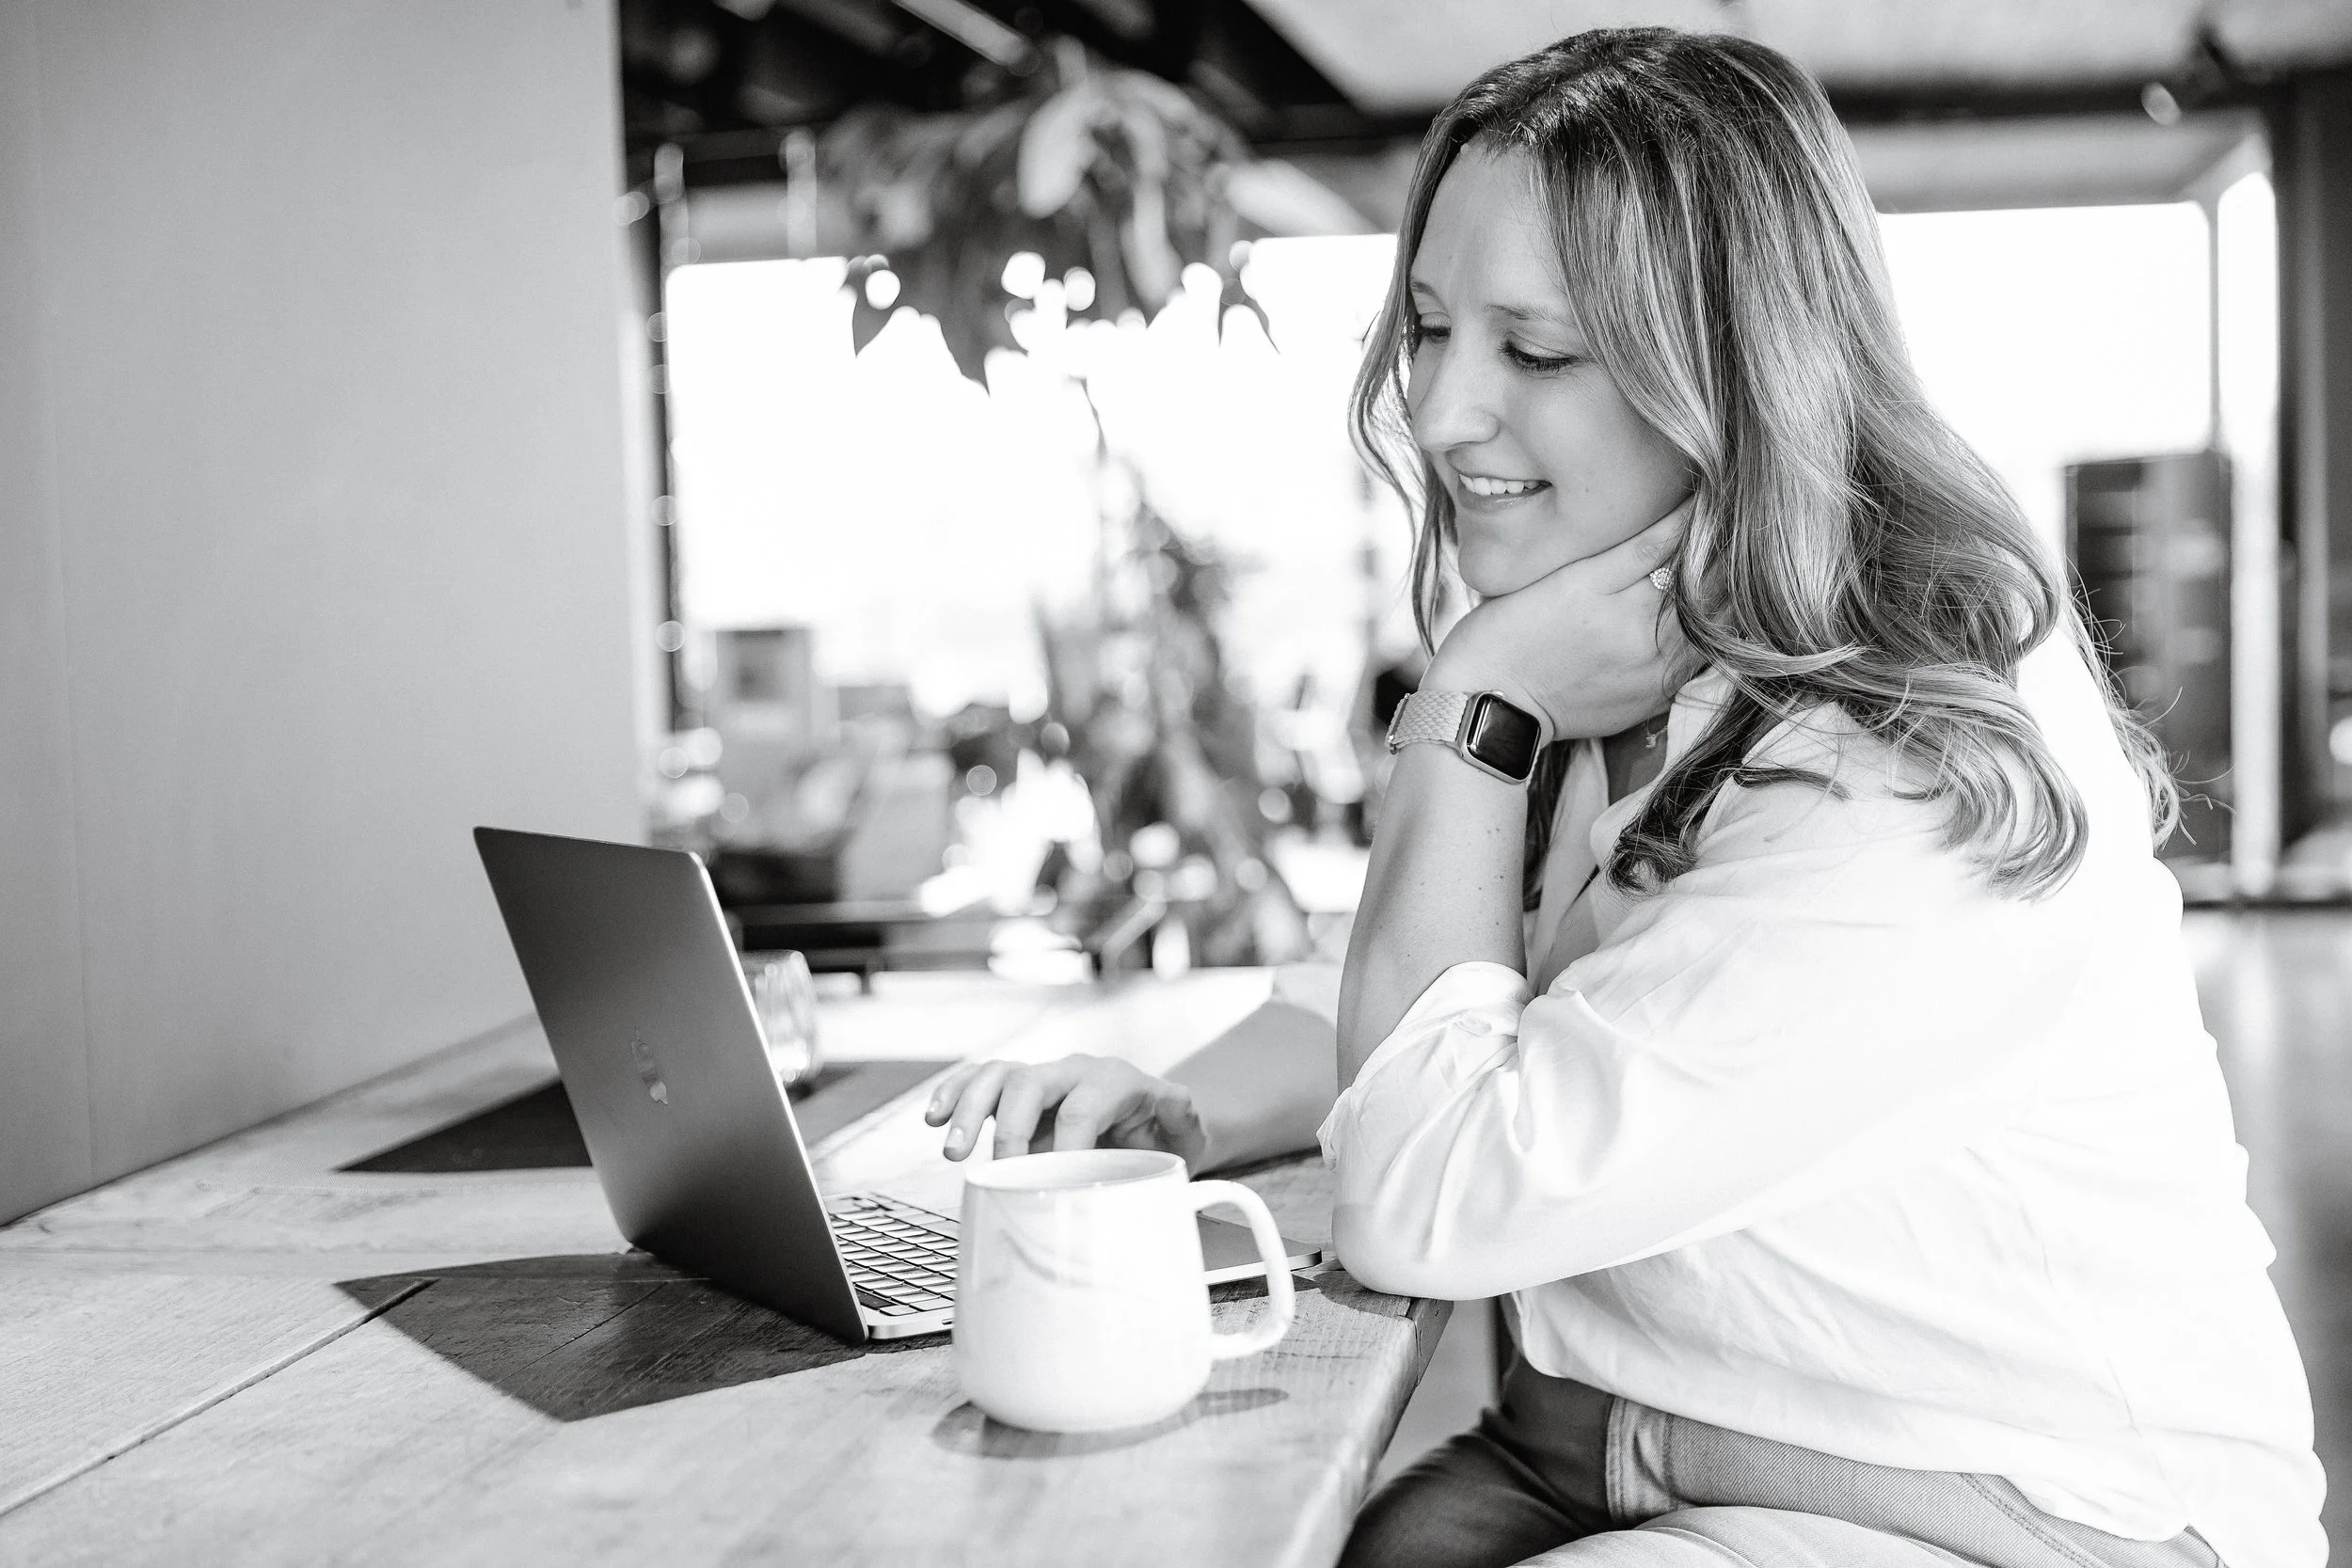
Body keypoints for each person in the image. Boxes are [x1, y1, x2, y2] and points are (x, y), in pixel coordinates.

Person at [924, 27, 2323, 1567]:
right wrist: (1181, 1113)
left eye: (1534, 351)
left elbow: (1422, 1191)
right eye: (1434, 329)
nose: (1443, 413)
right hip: (1629, 1439)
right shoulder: (1631, 639)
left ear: (1730, 368)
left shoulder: (1909, 758)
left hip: (2007, 1503)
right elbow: (1419, 1005)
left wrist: (1468, 706)